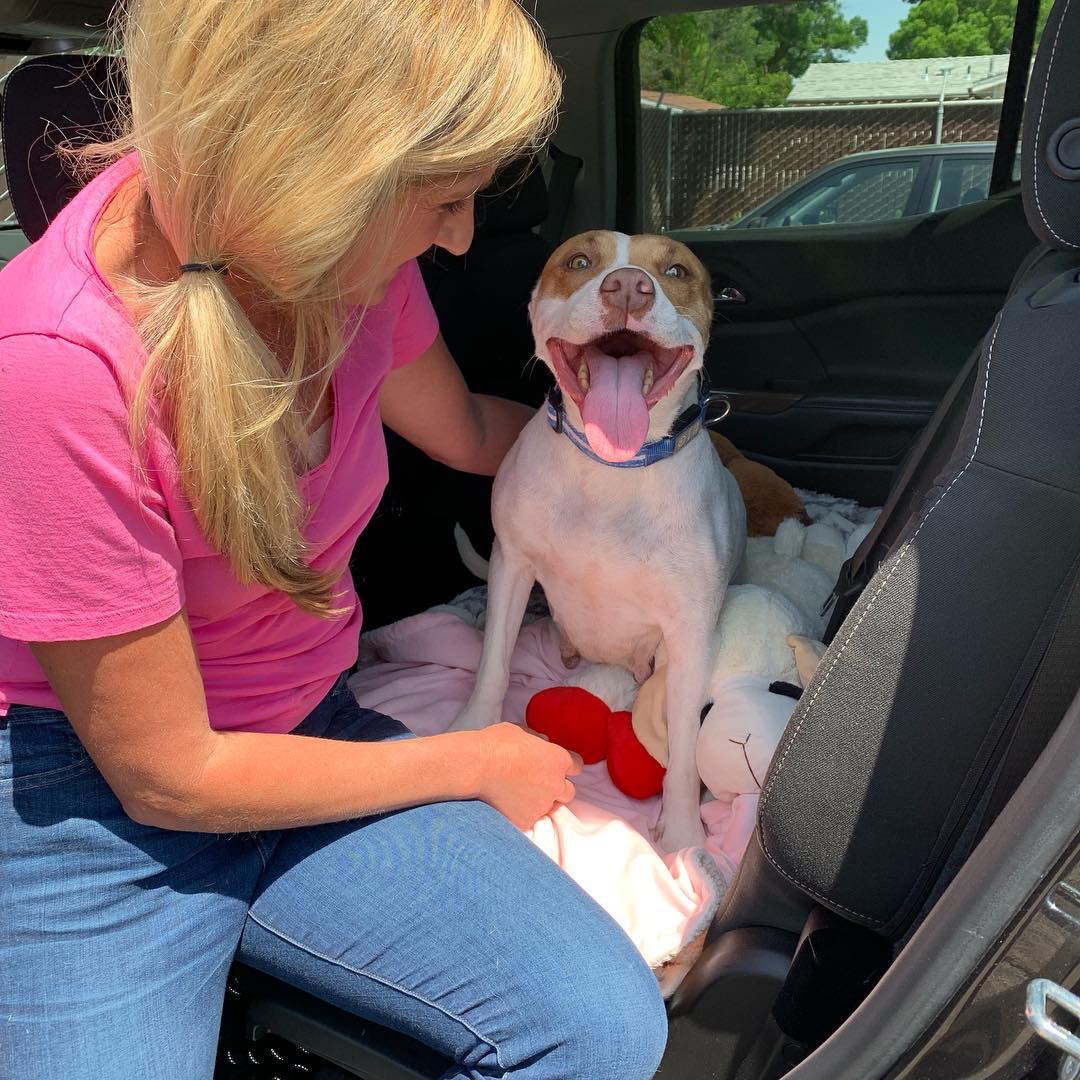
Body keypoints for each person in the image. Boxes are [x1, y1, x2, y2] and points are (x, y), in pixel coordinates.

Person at [0, 1, 669, 1077]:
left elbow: (461, 432)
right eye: (444, 199)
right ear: (311, 167)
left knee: (600, 1028)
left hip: (309, 721)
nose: (460, 237)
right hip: (94, 803)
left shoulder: (351, 267)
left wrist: (627, 457)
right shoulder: (52, 366)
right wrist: (471, 759)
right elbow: (168, 777)